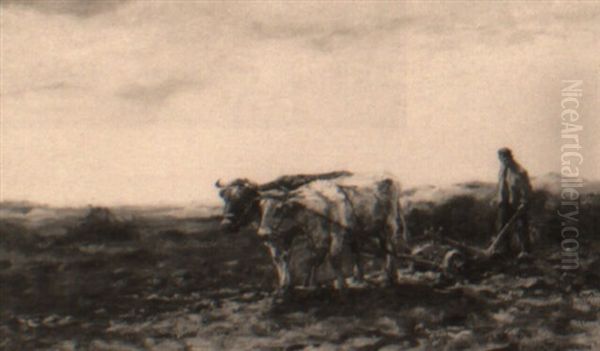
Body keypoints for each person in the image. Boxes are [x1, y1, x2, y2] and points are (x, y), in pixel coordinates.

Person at [495, 147, 532, 258]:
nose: (501, 161)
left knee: (521, 226)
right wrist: (497, 198)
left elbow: (527, 189)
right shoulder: (502, 168)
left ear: (509, 157)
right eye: (500, 159)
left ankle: (525, 251)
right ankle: (505, 250)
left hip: (517, 203)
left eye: (503, 158)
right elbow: (501, 185)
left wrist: (524, 202)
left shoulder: (520, 171)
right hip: (504, 202)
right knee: (502, 226)